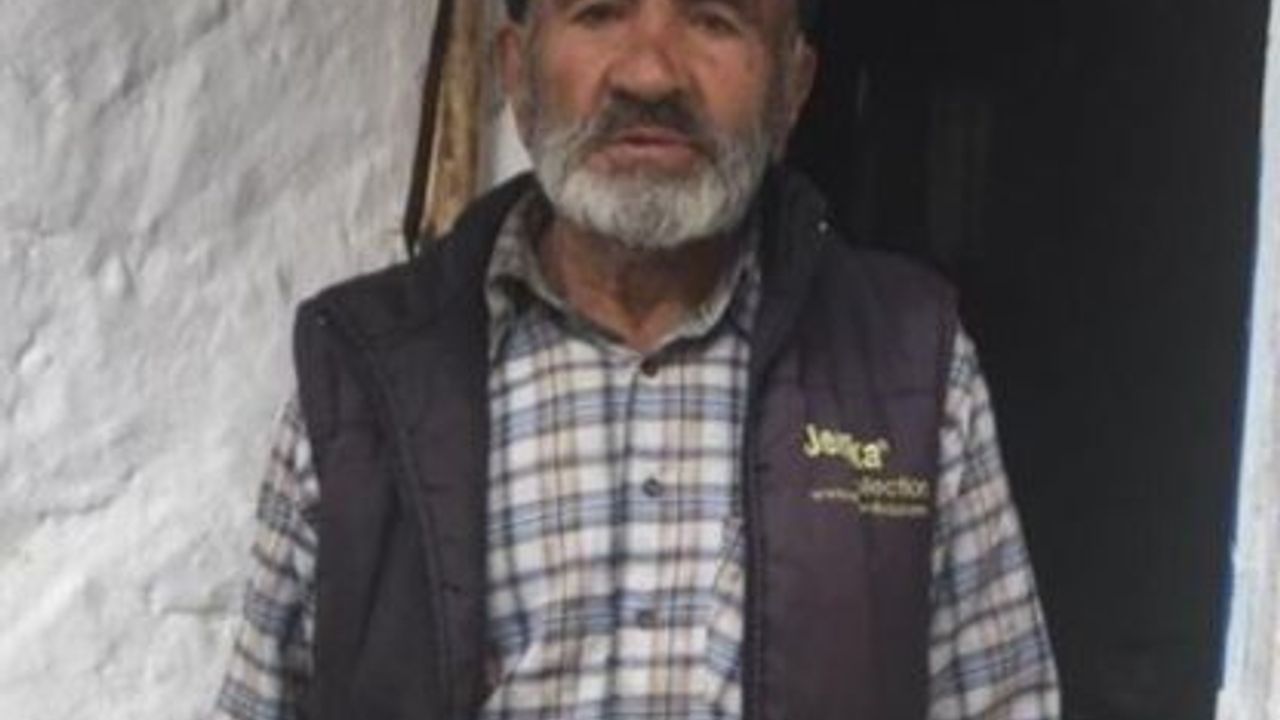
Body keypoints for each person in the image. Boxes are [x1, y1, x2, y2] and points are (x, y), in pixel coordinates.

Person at [214, 0, 1060, 718]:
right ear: (516, 72)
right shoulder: (367, 373)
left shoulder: (909, 364)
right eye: (599, 12)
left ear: (792, 88)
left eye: (714, 20)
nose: (651, 73)